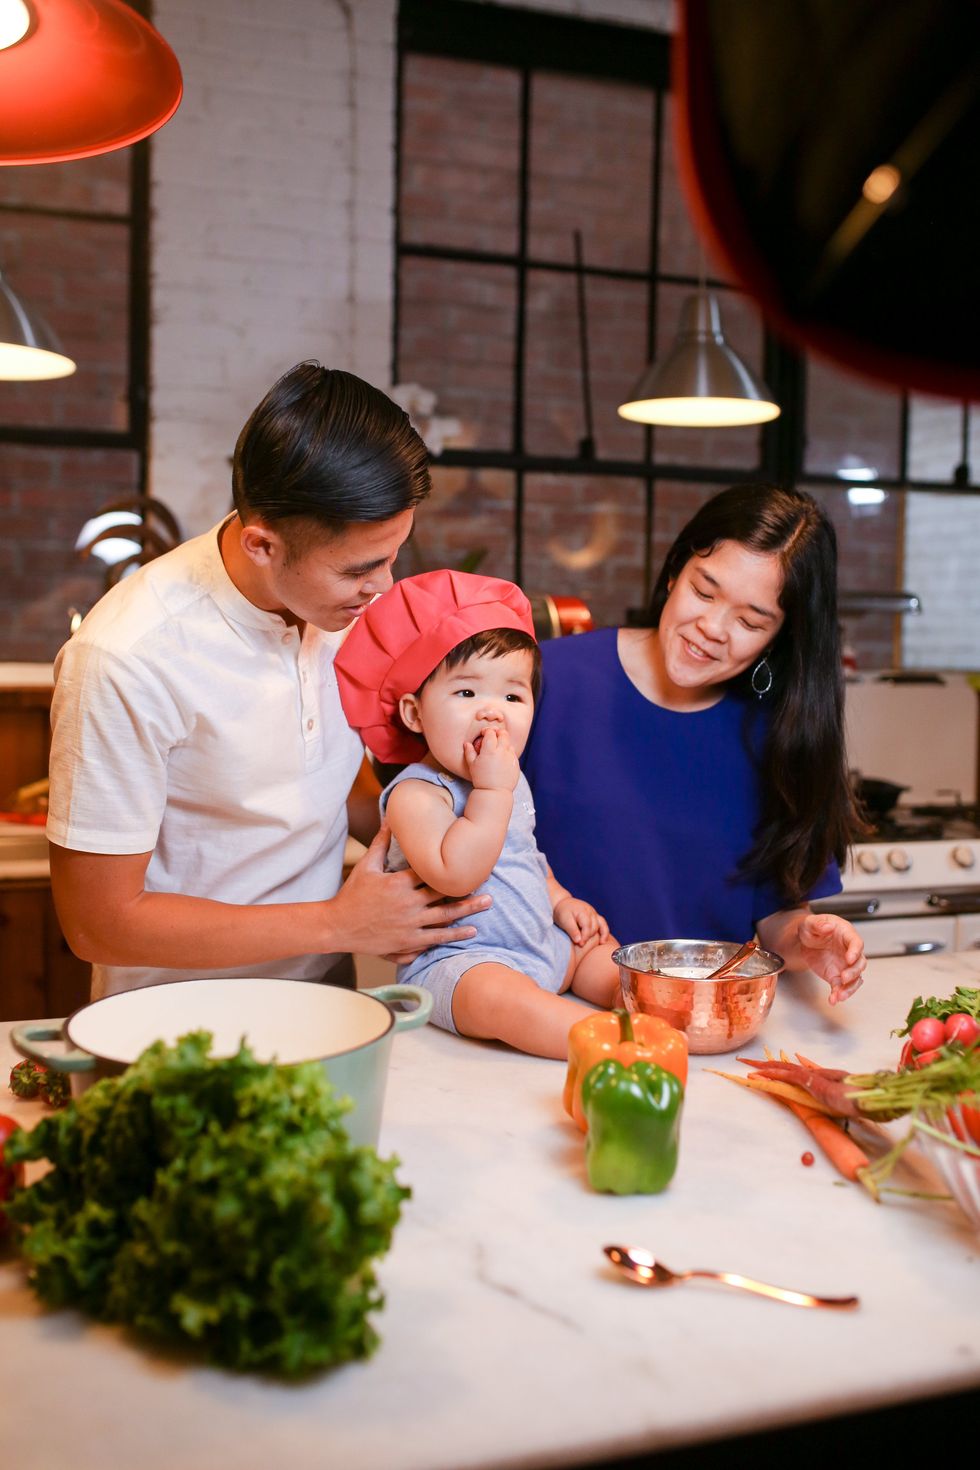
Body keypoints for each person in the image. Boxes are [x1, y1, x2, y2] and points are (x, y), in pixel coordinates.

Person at [46, 362, 491, 999]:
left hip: (325, 1004)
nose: (384, 587)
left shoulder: (335, 607)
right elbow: (98, 924)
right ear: (262, 545)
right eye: (359, 568)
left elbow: (331, 786)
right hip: (172, 1028)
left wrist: (464, 842)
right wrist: (340, 922)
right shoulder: (125, 657)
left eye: (394, 556)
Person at [521, 482, 867, 1006]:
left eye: (750, 621)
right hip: (535, 1012)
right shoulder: (545, 678)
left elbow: (775, 916)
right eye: (704, 592)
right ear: (674, 571)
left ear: (780, 636)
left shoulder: (780, 736)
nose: (711, 627)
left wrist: (805, 942)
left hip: (695, 1023)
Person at [334, 570, 622, 1059]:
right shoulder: (417, 795)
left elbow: (525, 854)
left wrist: (560, 901)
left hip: (539, 942)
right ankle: (607, 1041)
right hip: (464, 961)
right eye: (467, 693)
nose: (492, 711)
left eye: (512, 696)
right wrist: (493, 790)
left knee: (600, 949)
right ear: (414, 714)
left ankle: (648, 1001)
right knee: (496, 999)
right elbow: (458, 873)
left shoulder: (506, 778)